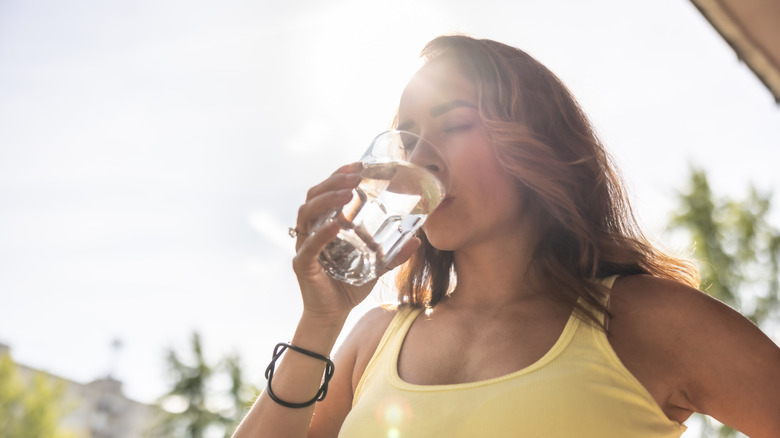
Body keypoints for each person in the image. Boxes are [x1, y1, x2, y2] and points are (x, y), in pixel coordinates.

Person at [233, 35, 780, 437]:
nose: (420, 158)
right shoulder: (373, 342)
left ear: (535, 142)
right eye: (410, 137)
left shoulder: (651, 321)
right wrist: (320, 323)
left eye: (454, 124)